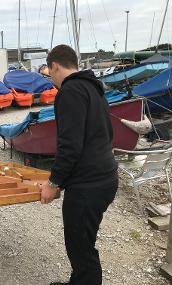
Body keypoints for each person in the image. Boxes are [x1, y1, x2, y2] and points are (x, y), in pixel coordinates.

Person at [38, 45, 118, 285]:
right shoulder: (94, 88)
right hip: (105, 178)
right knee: (82, 240)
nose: (51, 79)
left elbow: (69, 146)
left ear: (55, 66)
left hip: (89, 186)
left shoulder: (70, 91)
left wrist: (53, 183)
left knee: (81, 247)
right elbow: (106, 133)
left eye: (50, 73)